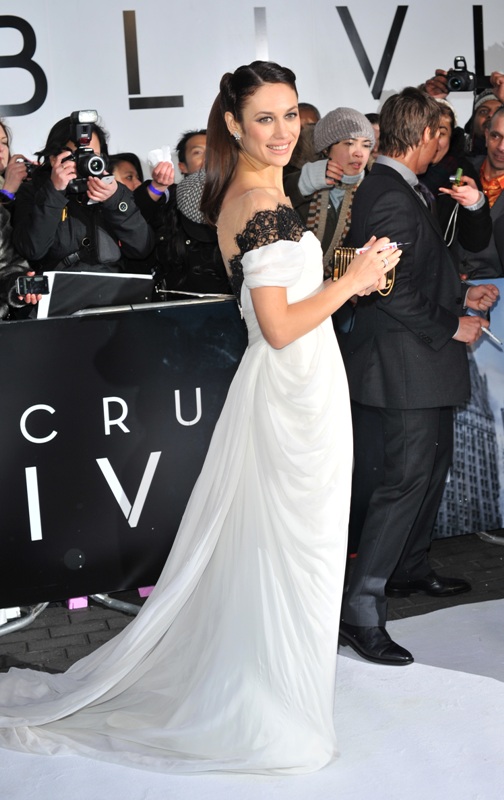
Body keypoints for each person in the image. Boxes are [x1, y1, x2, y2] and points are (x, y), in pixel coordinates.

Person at [0, 60, 400, 774]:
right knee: (290, 550)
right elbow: (278, 326)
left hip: (303, 386)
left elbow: (282, 305)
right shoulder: (256, 199)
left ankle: (281, 689)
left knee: (290, 549)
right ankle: (269, 707)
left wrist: (350, 274)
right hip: (290, 390)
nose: (283, 130)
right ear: (234, 125)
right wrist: (353, 280)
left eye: (290, 114)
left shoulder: (265, 190)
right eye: (265, 118)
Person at [338, 87, 499, 666]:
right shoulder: (389, 192)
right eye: (442, 134)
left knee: (428, 471)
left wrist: (459, 294)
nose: (446, 145)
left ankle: (406, 569)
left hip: (417, 360)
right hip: (405, 362)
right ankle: (360, 609)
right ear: (426, 134)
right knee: (405, 481)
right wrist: (453, 323)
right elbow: (389, 289)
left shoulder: (400, 187)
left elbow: (419, 271)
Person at [12, 115, 155, 281]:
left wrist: (115, 201)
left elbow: (142, 248)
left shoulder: (114, 190)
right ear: (53, 158)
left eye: (93, 155)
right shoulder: (34, 191)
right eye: (77, 156)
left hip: (112, 288)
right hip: (60, 289)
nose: (85, 163)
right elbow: (32, 249)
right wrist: (54, 192)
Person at [284, 107, 375, 276]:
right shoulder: (300, 181)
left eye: (366, 145)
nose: (359, 153)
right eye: (349, 143)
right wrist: (302, 183)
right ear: (326, 149)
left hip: (343, 288)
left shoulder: (373, 191)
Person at [452, 105, 504, 278]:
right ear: (487, 136)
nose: (502, 147)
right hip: (448, 282)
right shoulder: (460, 169)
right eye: (496, 136)